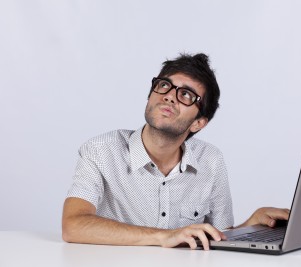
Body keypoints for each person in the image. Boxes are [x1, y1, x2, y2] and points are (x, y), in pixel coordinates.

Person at [62, 53, 289, 250]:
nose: (169, 95)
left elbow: (219, 239)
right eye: (164, 85)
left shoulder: (211, 160)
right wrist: (163, 236)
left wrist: (251, 225)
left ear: (198, 123)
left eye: (186, 95)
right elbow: (73, 225)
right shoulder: (101, 150)